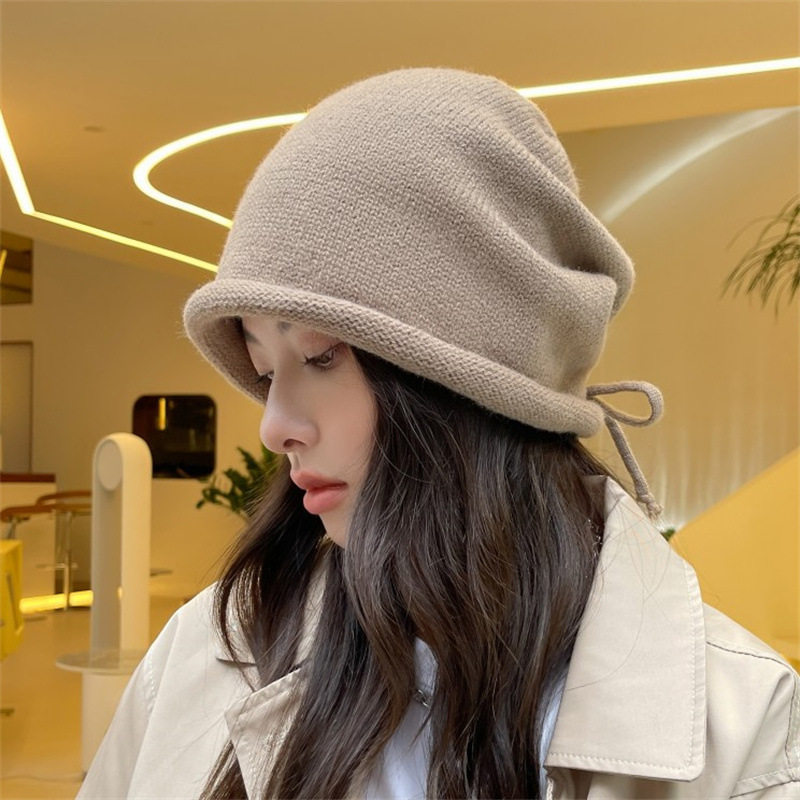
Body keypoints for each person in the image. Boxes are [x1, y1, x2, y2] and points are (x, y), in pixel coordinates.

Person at [78, 67, 799, 799]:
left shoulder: (744, 728)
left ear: (474, 382)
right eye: (266, 371)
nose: (274, 426)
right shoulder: (204, 653)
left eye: (321, 356)